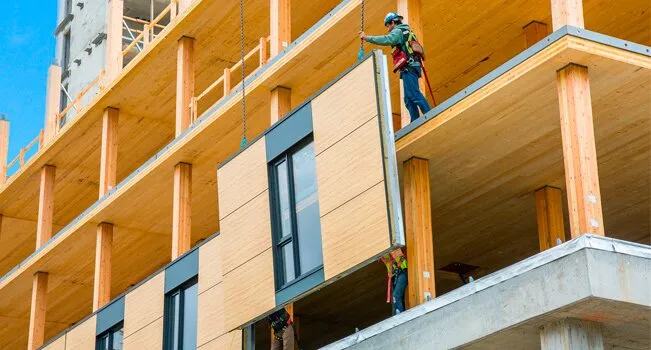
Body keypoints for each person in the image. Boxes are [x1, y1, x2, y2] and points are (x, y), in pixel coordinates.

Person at [359, 12, 431, 122]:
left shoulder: (398, 31)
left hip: (409, 67)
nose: (387, 28)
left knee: (414, 95)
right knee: (408, 99)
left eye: (388, 25)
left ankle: (429, 115)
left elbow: (387, 40)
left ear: (393, 22)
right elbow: (421, 52)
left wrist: (367, 37)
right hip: (412, 66)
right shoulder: (408, 32)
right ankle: (415, 122)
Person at [380, 247, 408, 314]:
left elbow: (402, 257)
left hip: (402, 272)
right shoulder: (384, 255)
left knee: (396, 295)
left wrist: (398, 265)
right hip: (395, 276)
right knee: (396, 298)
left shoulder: (394, 248)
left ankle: (400, 315)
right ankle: (399, 314)